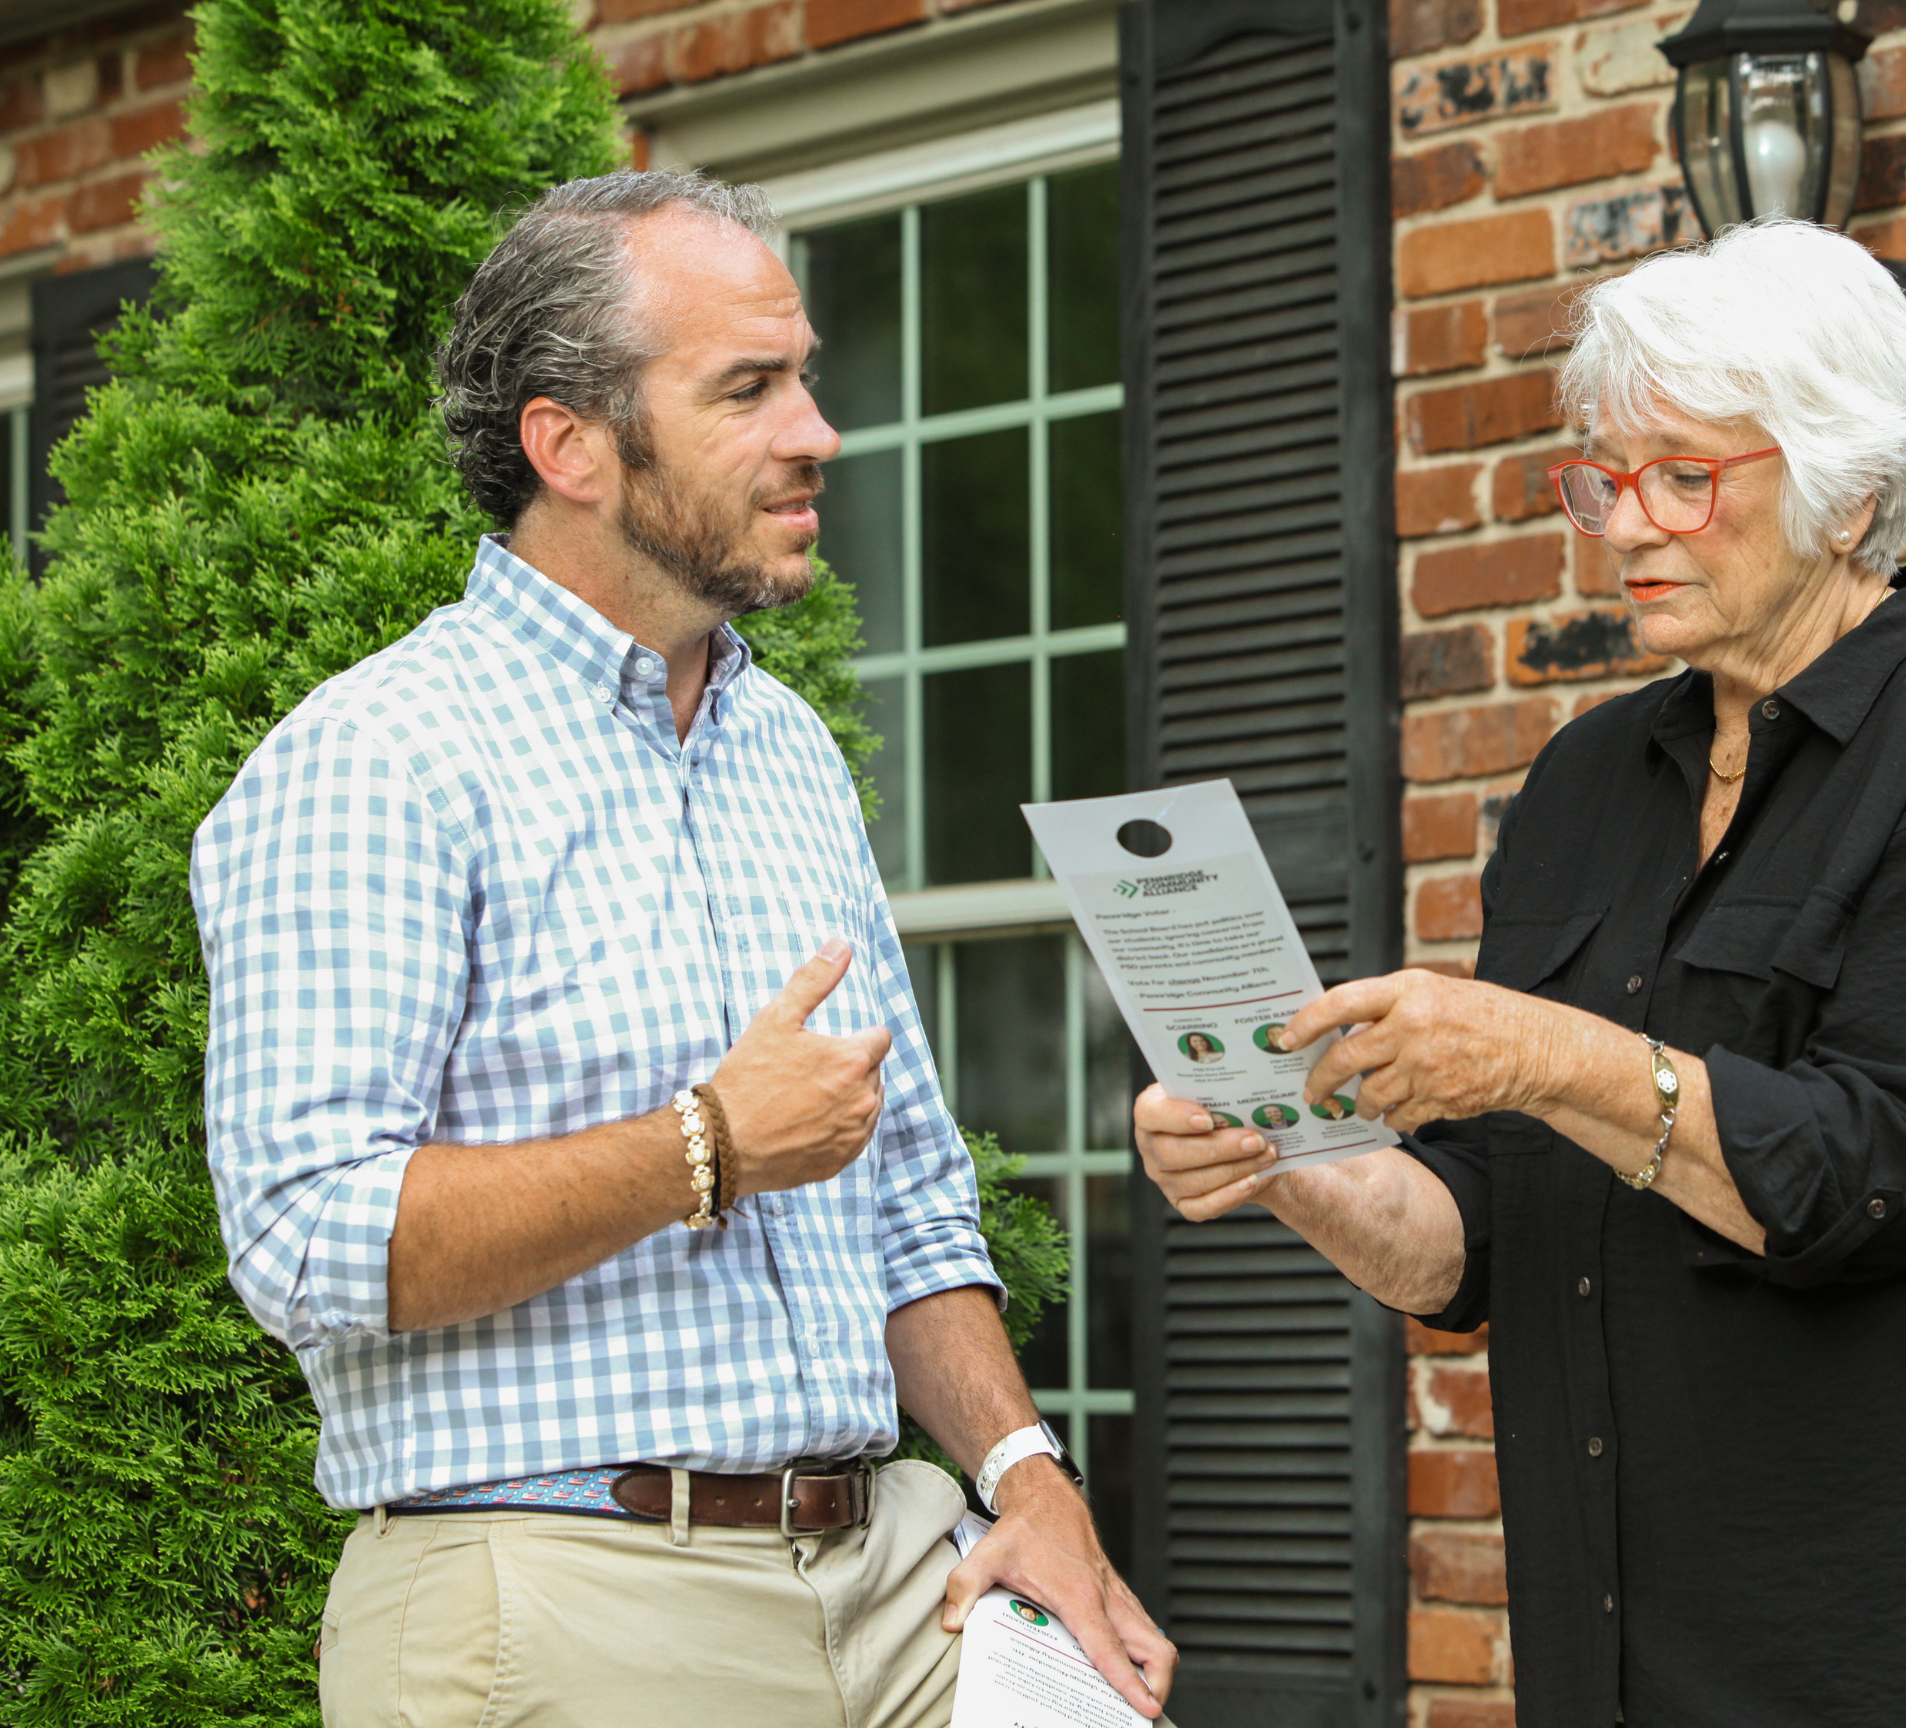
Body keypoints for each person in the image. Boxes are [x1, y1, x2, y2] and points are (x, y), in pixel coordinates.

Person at [1133, 222, 1906, 1728]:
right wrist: (1284, 1154)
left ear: (1847, 489)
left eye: (1684, 476)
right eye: (1606, 477)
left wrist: (1539, 1054)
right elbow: (1476, 1242)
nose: (1624, 524)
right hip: (1625, 1674)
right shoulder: (1585, 785)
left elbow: (1874, 1176)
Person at [195, 170, 1173, 1726]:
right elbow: (307, 1236)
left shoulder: (781, 744)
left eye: (805, 377)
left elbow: (909, 1192)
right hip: (562, 1592)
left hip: (896, 1570)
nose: (817, 431)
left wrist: (1024, 1475)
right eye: (748, 389)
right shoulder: (377, 759)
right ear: (568, 443)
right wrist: (704, 1147)